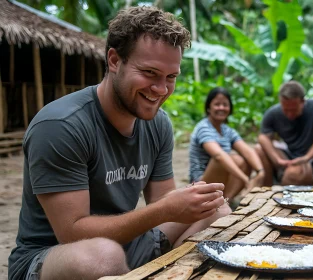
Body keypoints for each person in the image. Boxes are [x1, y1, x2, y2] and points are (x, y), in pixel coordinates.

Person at [8, 7, 230, 280]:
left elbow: (162, 204)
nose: (161, 89)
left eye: (171, 77)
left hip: (126, 244)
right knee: (104, 256)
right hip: (56, 258)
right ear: (114, 60)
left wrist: (188, 202)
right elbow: (71, 232)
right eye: (150, 72)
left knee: (217, 210)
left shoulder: (158, 124)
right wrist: (164, 209)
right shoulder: (61, 126)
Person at [189, 87, 265, 200]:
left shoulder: (227, 130)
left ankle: (227, 201)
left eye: (225, 104)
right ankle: (215, 201)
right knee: (226, 159)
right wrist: (246, 180)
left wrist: (260, 172)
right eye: (217, 104)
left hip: (221, 180)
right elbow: (218, 156)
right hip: (200, 183)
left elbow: (247, 150)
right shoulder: (203, 127)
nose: (221, 108)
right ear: (209, 107)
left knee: (247, 159)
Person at [256, 81, 313, 186]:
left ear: (303, 102)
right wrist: (277, 159)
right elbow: (262, 137)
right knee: (259, 149)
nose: (289, 114)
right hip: (288, 155)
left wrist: (307, 157)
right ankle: (266, 190)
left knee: (295, 174)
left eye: (293, 110)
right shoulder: (273, 113)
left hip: (311, 157)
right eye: (286, 110)